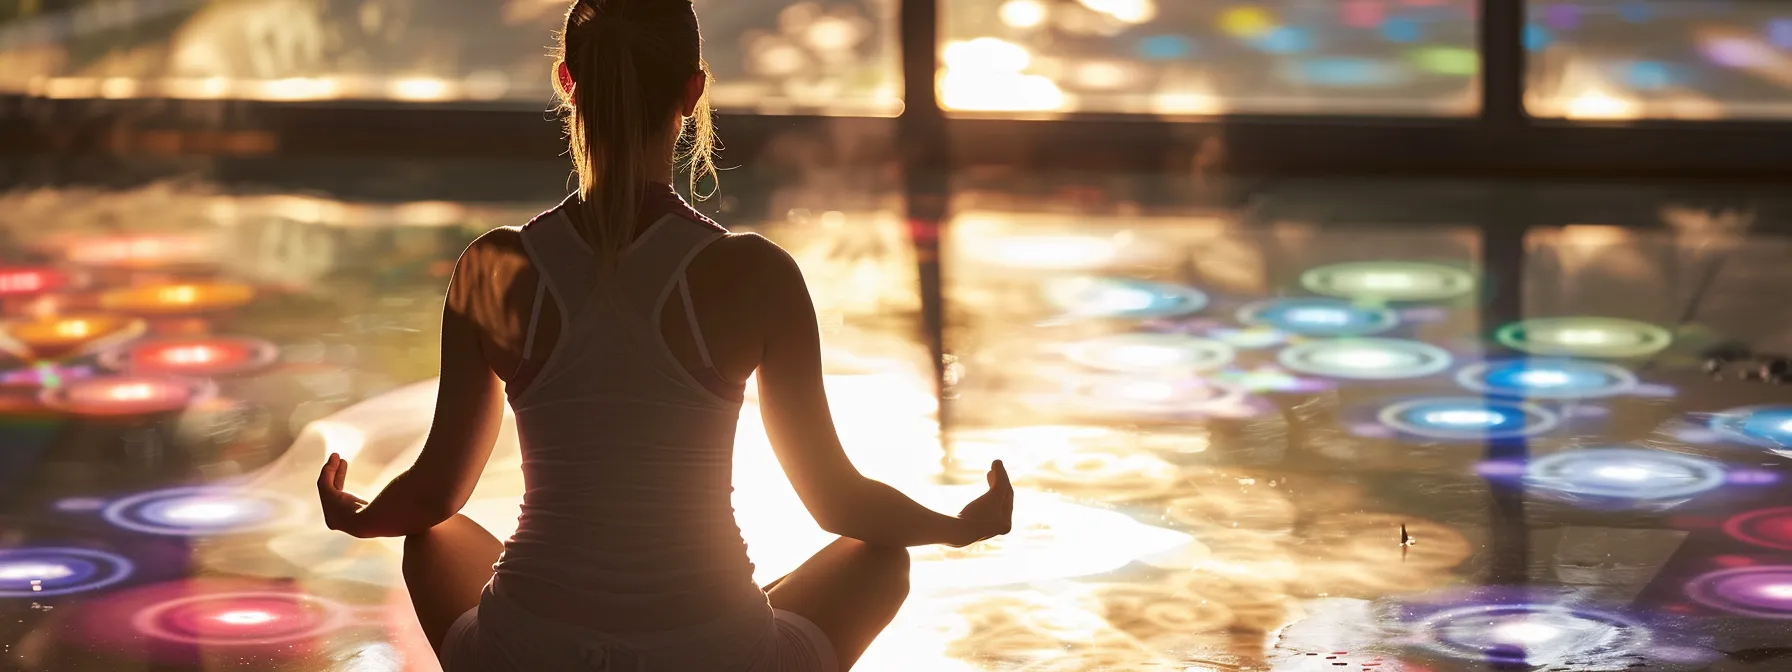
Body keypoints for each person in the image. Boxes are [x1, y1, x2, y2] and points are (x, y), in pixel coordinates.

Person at [312, 0, 1014, 670]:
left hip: (529, 654)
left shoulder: (493, 267)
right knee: (881, 556)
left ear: (567, 83)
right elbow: (834, 500)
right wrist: (956, 526)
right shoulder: (757, 275)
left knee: (428, 540)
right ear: (692, 91)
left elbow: (435, 496)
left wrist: (360, 517)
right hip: (713, 656)